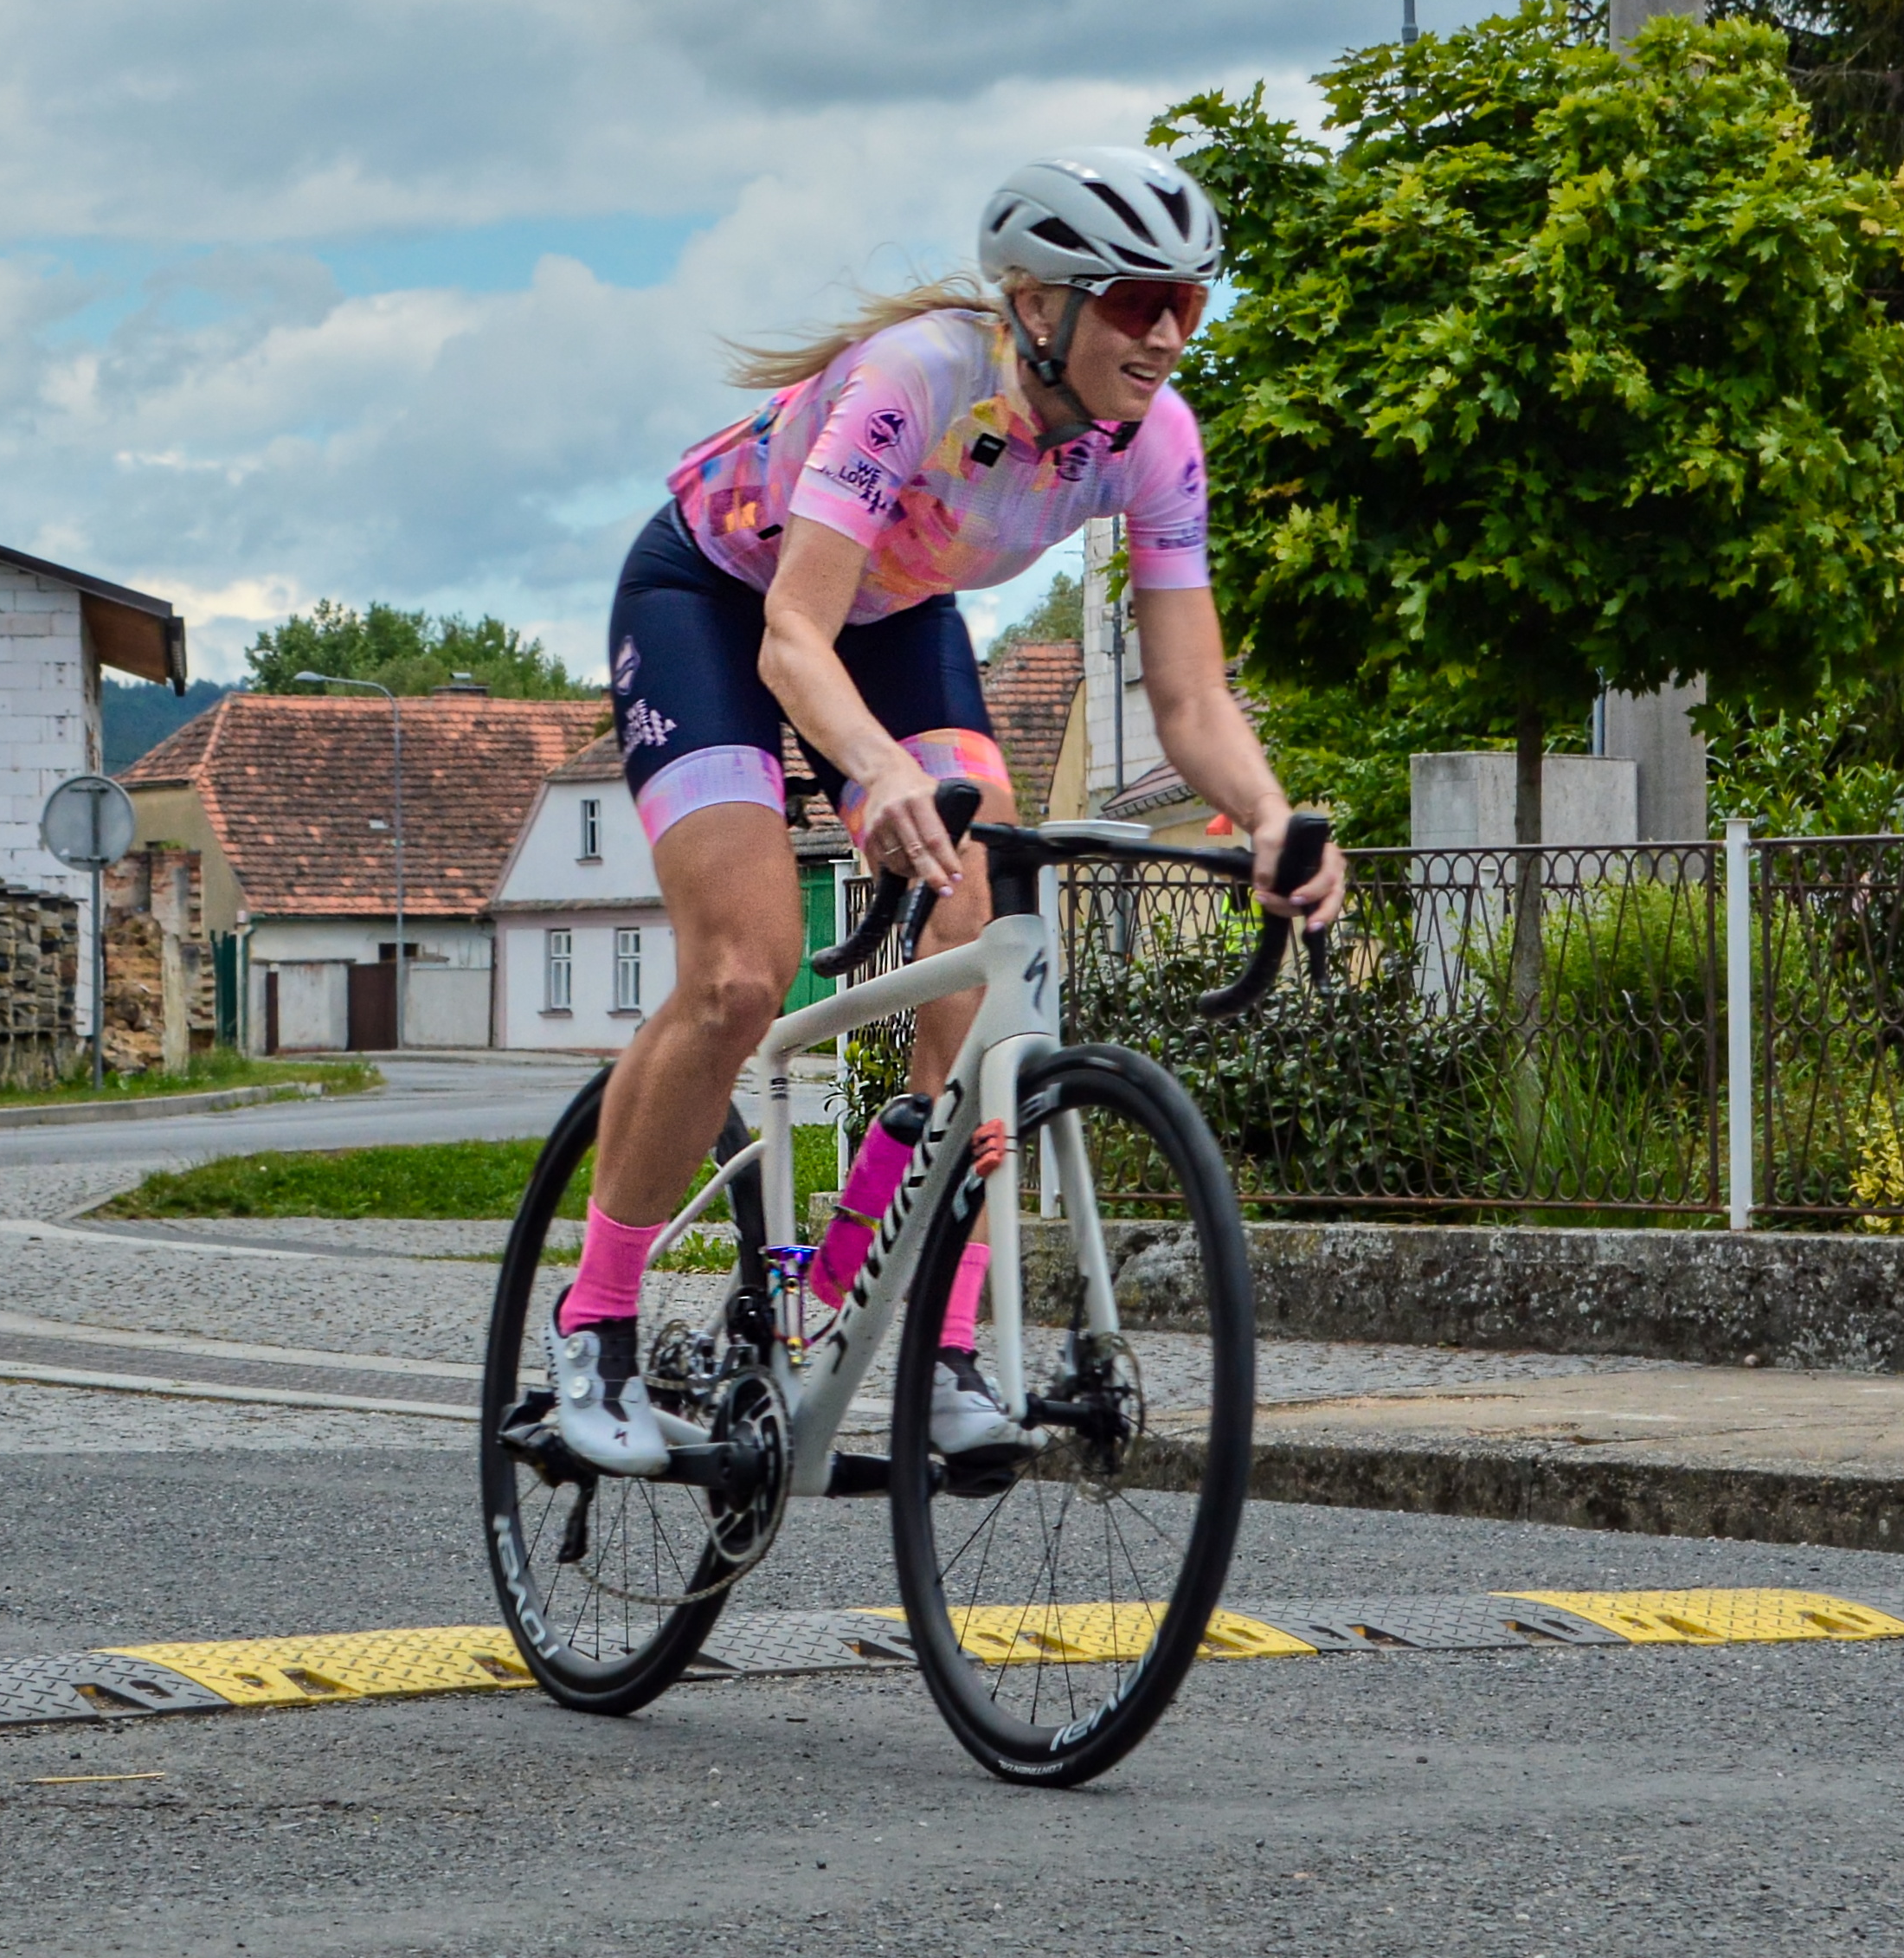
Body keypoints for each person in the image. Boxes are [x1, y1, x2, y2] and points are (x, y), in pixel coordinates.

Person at [548, 145, 1346, 1478]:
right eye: (1136, 299)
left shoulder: (1156, 440)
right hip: (719, 600)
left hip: (898, 614)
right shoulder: (915, 378)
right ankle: (595, 1324)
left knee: (978, 941)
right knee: (741, 972)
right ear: (1037, 303)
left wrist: (1266, 814)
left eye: (1188, 302)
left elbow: (1190, 696)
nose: (1166, 333)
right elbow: (792, 637)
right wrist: (879, 773)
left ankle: (933, 1333)